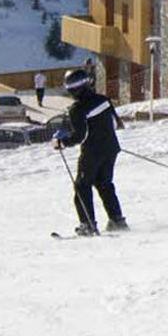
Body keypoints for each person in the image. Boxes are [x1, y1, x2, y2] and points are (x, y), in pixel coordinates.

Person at [51, 67, 127, 235]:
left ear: (72, 89)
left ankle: (88, 225)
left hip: (93, 152)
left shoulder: (77, 109)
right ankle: (117, 220)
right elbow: (116, 124)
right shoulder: (103, 99)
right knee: (104, 184)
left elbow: (80, 136)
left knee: (82, 186)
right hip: (111, 149)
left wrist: (62, 142)